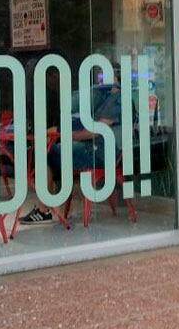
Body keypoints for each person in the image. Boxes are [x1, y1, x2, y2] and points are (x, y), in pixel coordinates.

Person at [18, 80, 122, 225]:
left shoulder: (116, 99)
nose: (101, 80)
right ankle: (46, 204)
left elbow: (97, 130)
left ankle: (43, 210)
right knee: (44, 152)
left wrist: (69, 135)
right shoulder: (105, 97)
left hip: (100, 153)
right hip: (92, 148)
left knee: (45, 153)